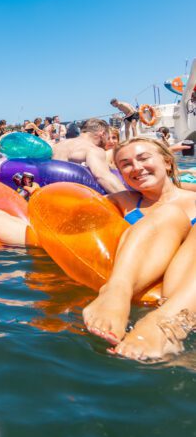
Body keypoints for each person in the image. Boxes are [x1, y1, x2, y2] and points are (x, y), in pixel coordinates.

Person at [81, 138, 196, 358]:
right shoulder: (122, 201)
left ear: (168, 163)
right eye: (126, 164)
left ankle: (167, 321)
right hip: (151, 291)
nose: (136, 167)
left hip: (184, 292)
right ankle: (116, 292)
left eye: (144, 158)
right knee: (168, 213)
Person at [52, 118, 124, 194]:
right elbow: (102, 176)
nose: (108, 141)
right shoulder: (92, 149)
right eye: (108, 137)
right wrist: (131, 199)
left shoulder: (57, 145)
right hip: (70, 196)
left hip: (49, 192)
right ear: (102, 134)